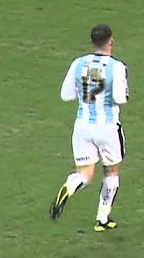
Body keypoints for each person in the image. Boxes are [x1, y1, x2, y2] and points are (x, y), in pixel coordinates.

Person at [50, 24, 130, 231]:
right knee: (111, 172)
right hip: (107, 127)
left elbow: (66, 95)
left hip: (83, 127)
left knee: (85, 175)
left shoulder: (78, 63)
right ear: (111, 41)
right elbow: (121, 98)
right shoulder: (117, 67)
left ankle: (69, 186)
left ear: (91, 42)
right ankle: (102, 218)